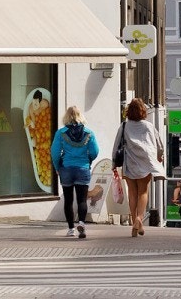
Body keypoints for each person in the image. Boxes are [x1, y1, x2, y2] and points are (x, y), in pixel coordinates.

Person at [111, 97, 164, 237]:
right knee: (143, 192)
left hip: (129, 164)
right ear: (143, 111)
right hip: (145, 163)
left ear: (129, 111)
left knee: (132, 193)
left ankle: (134, 223)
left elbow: (116, 145)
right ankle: (139, 218)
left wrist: (113, 163)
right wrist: (160, 155)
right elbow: (158, 144)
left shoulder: (124, 126)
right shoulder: (148, 126)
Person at [50, 106, 99, 239]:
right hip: (83, 169)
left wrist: (57, 167)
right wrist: (88, 159)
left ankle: (71, 229)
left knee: (68, 200)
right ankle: (82, 223)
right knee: (82, 200)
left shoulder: (61, 133)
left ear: (66, 117)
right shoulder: (89, 133)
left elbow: (54, 153)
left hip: (66, 168)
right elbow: (95, 151)